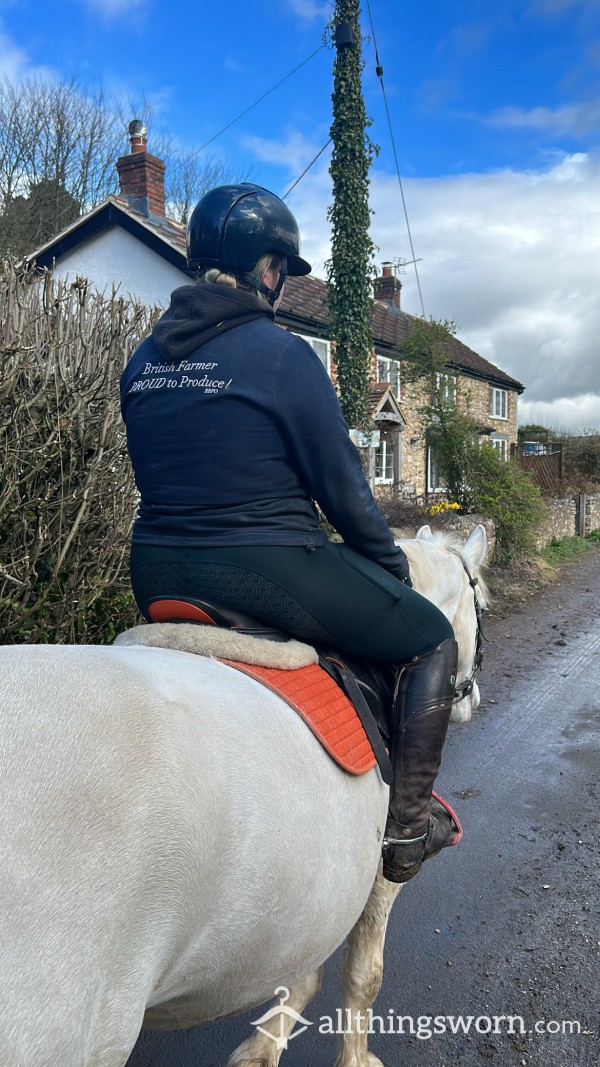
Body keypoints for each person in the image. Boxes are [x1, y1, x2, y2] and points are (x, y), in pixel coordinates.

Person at [120, 183, 459, 883]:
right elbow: (344, 494)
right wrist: (387, 566)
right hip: (266, 567)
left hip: (154, 570)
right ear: (267, 267)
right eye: (282, 268)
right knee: (431, 639)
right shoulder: (280, 355)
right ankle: (405, 831)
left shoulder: (141, 363)